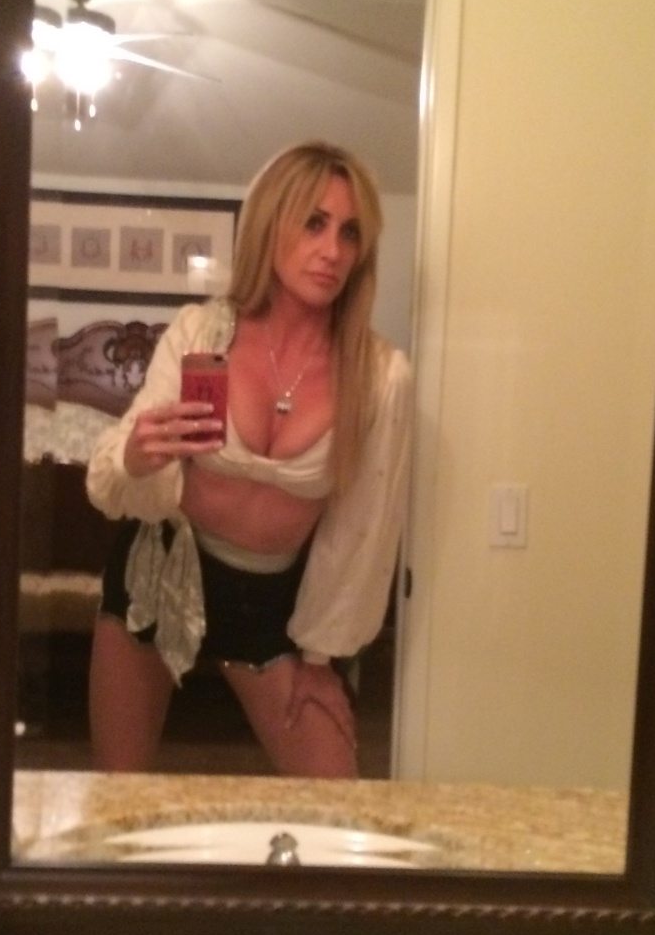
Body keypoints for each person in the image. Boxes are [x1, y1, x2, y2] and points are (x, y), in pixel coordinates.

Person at [85, 140, 412, 778]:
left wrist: (320, 658)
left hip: (271, 605)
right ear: (271, 224)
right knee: (118, 795)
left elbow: (363, 533)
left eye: (349, 232)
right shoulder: (200, 333)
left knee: (338, 804)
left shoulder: (378, 376)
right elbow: (110, 481)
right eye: (314, 223)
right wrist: (137, 455)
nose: (333, 250)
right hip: (160, 570)